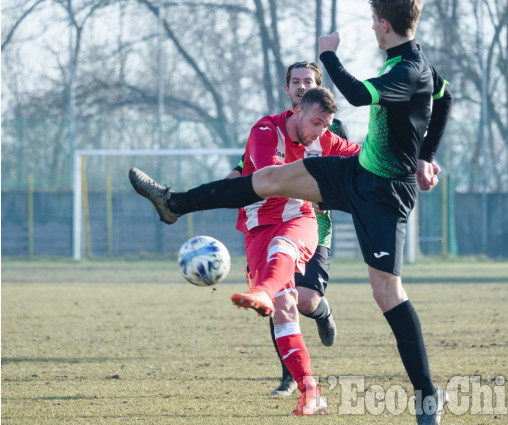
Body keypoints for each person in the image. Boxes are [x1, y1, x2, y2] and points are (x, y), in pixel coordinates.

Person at [129, 1, 453, 422]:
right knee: (267, 180)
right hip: (356, 172)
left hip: (385, 194)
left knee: (386, 293)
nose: (372, 26)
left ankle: (428, 396)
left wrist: (328, 53)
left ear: (385, 24)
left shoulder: (407, 69)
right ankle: (173, 204)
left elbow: (356, 94)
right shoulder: (413, 64)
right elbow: (446, 99)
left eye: (374, 20)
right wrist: (427, 155)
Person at [225, 61, 350, 397]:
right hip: (268, 219)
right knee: (280, 296)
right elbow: (248, 166)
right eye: (295, 81)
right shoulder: (270, 129)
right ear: (288, 90)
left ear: (317, 86)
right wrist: (227, 186)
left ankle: (322, 313)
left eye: (307, 81)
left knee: (307, 299)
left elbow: (352, 170)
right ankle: (289, 377)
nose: (300, 86)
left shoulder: (330, 130)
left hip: (313, 222)